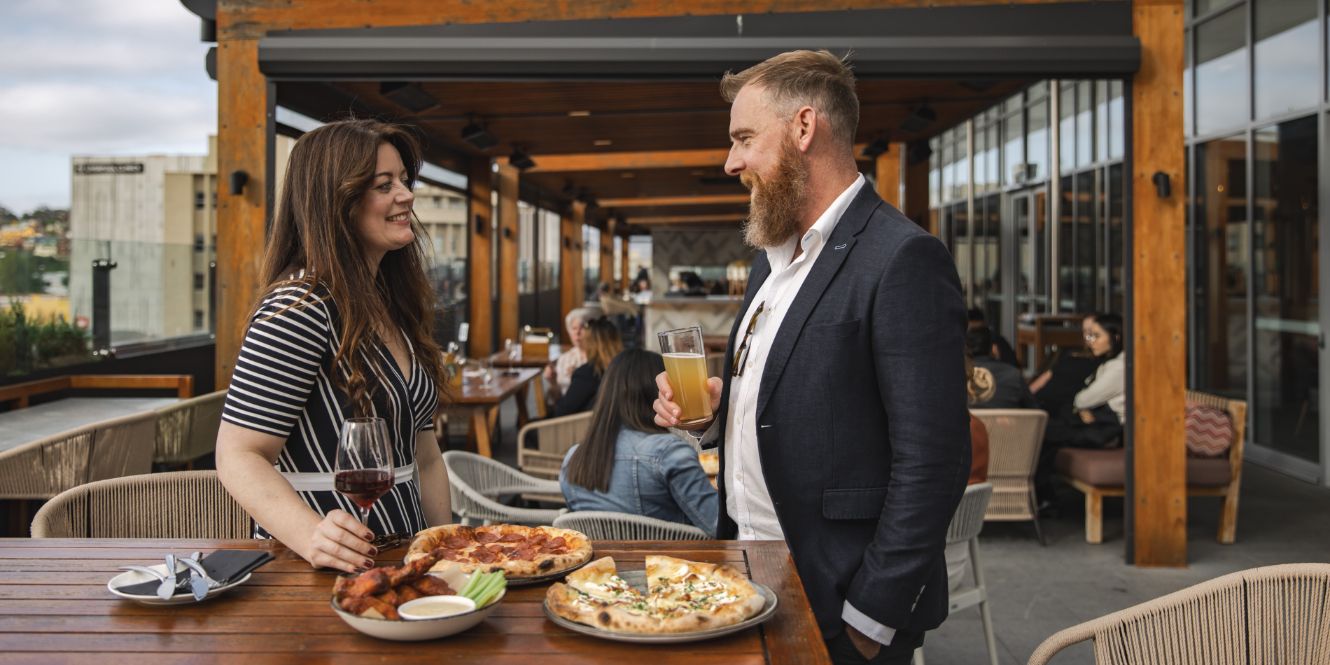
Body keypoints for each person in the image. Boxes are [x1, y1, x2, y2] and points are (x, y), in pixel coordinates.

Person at [653, 50, 969, 664]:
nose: (730, 162)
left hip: (838, 598)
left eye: (744, 138)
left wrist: (869, 620)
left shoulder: (903, 258)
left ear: (803, 128)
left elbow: (934, 461)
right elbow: (791, 403)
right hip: (747, 571)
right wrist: (716, 416)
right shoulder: (767, 265)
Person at [215, 119, 451, 574]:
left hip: (401, 559)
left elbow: (426, 457)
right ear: (337, 202)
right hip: (318, 573)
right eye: (385, 185)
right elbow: (238, 454)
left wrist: (445, 553)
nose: (406, 195)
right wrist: (311, 537)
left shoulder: (389, 306)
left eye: (404, 180)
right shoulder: (299, 307)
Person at [560, 349, 718, 536]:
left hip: (602, 564)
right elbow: (719, 526)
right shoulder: (668, 453)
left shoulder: (573, 459)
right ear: (659, 394)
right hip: (671, 563)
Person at [1035, 312, 1126, 496]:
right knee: (1048, 433)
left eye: (1096, 335)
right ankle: (1044, 495)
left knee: (1045, 432)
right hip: (1100, 425)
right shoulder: (1112, 363)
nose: (1090, 340)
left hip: (1107, 430)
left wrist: (1082, 408)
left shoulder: (1118, 367)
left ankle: (1042, 496)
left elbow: (1082, 399)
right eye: (1089, 335)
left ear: (1115, 337)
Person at [554, 317, 621, 416]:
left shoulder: (588, 373)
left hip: (579, 428)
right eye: (574, 328)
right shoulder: (623, 368)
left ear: (590, 343)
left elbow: (562, 412)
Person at [967, 326, 1038, 409]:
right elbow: (1033, 410)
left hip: (968, 422)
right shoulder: (1013, 375)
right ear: (994, 349)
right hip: (1009, 422)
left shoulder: (956, 375)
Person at [544, 307, 600, 406]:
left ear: (592, 331)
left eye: (582, 328)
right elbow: (557, 397)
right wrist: (553, 382)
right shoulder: (564, 358)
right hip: (567, 410)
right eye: (573, 328)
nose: (577, 333)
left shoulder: (599, 358)